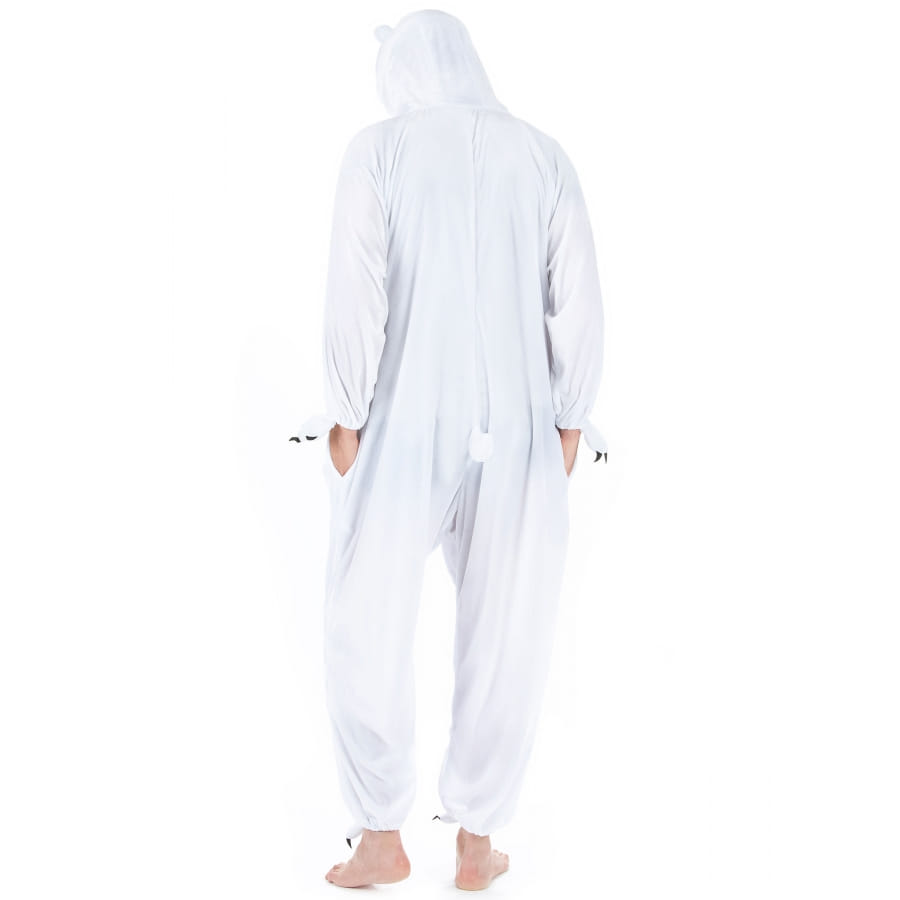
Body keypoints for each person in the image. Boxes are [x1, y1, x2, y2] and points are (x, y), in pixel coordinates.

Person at [290, 9, 607, 890]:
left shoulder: (379, 150)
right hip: (522, 423)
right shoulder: (543, 155)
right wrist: (569, 418)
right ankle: (476, 840)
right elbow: (580, 294)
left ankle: (382, 834)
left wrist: (346, 413)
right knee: (511, 626)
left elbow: (354, 286)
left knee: (365, 618)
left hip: (401, 415)